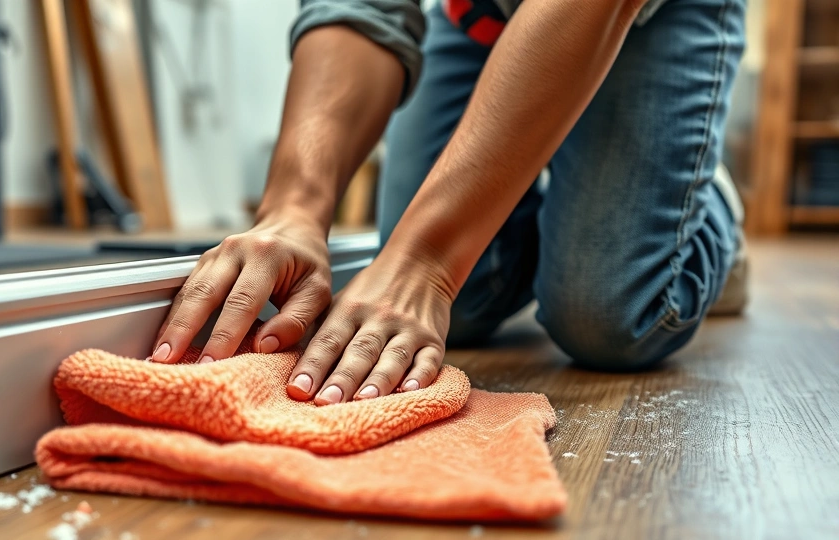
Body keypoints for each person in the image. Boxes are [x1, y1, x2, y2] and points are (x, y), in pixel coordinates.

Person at [151, 0, 749, 406]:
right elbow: (365, 8)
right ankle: (579, 196)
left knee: (609, 317)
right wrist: (294, 208)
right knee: (463, 310)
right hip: (478, 13)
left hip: (655, 14)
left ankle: (700, 197)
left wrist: (428, 260)